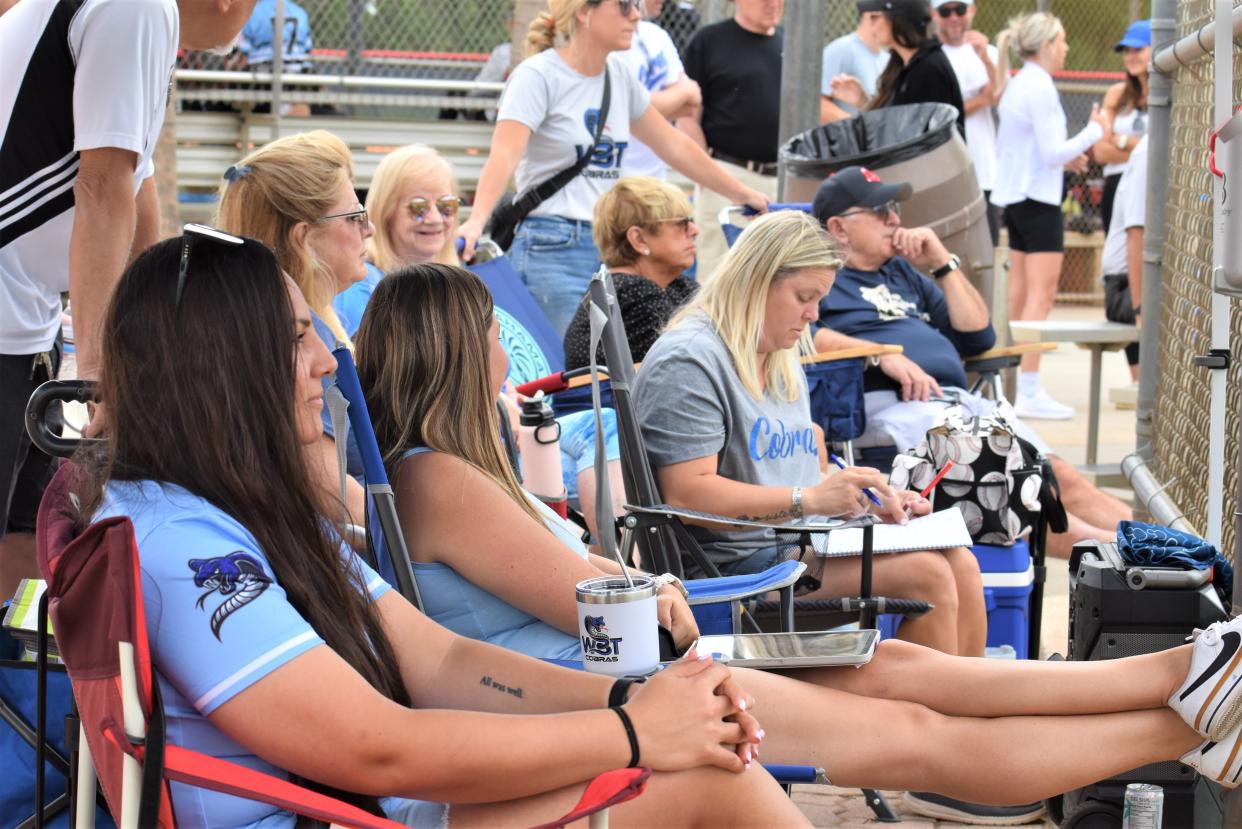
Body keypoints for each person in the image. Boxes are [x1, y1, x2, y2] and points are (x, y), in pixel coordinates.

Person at [353, 257, 1242, 827]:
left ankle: (1180, 675)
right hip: (605, 695)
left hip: (620, 678)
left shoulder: (449, 472)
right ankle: (1190, 717)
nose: (506, 355)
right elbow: (608, 604)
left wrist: (619, 572)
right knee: (914, 732)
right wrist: (637, 582)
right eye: (488, 339)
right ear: (460, 355)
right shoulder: (440, 477)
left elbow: (587, 576)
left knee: (906, 675)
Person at [78, 232, 806, 829]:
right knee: (708, 784)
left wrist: (631, 701)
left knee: (705, 766)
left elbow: (443, 661)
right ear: (221, 365)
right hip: (345, 810)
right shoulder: (182, 543)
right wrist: (635, 732)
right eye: (298, 338)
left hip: (361, 807)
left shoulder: (237, 505)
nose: (325, 362)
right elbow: (378, 748)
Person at [631, 210, 988, 659]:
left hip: (796, 545)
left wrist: (864, 500)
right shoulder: (689, 361)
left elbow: (793, 478)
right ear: (756, 281)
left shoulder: (776, 354)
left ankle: (970, 712)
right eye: (805, 296)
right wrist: (812, 500)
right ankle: (931, 720)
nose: (814, 314)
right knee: (929, 574)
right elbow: (686, 498)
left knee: (961, 562)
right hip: (734, 569)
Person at [0, 0, 255, 602]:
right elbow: (101, 185)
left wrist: (154, 340)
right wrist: (99, 377)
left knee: (26, 542)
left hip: (21, 315)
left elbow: (137, 188)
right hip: (10, 313)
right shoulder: (137, 5)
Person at [809, 166, 1132, 560]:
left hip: (958, 404)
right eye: (881, 211)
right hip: (889, 407)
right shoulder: (820, 276)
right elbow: (795, 337)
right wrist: (878, 354)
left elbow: (980, 336)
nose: (895, 219)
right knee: (1011, 487)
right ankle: (1126, 557)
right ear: (839, 228)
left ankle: (1168, 547)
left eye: (894, 208)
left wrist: (942, 263)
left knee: (1052, 471)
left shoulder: (903, 275)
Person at [331, 144, 625, 541]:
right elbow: (405, 395)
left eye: (447, 206)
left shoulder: (457, 280)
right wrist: (499, 411)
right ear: (383, 211)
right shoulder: (368, 292)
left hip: (500, 426)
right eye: (418, 208)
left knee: (603, 425)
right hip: (461, 445)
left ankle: (616, 565)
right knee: (597, 438)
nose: (435, 219)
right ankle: (614, 569)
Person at [456, 0, 767, 336]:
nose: (636, 15)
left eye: (635, 5)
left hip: (610, 247)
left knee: (608, 374)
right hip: (552, 246)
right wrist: (475, 221)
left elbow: (675, 146)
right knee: (568, 375)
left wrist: (745, 194)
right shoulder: (537, 76)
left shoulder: (618, 77)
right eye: (623, 5)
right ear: (584, 12)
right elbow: (504, 155)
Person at [214, 130, 372, 524]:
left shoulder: (285, 322)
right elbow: (331, 492)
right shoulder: (294, 339)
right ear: (304, 238)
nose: (368, 229)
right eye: (354, 216)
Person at [990, 12, 1109, 420]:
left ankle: (1016, 383)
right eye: (1061, 40)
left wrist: (1067, 157)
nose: (1066, 47)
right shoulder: (1037, 86)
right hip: (1036, 201)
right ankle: (1028, 387)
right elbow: (1051, 151)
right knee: (1041, 294)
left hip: (1020, 197)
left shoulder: (1022, 83)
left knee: (1023, 294)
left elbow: (1043, 151)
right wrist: (1095, 130)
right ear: (1044, 45)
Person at [675, 0, 783, 282]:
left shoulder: (792, 47)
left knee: (776, 278)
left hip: (782, 179)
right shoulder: (710, 41)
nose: (774, 3)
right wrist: (710, 176)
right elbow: (688, 120)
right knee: (721, 277)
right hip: (728, 174)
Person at [563, 176, 699, 369]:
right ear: (639, 239)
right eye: (681, 223)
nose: (695, 230)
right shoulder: (630, 294)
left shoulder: (677, 286)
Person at [829, 0, 965, 137]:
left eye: (875, 17)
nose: (871, 25)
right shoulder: (901, 64)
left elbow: (917, 143)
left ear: (897, 17)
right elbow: (892, 127)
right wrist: (863, 102)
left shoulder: (929, 69)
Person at [932, 0, 1000, 245]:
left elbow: (1002, 97)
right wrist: (982, 98)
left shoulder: (988, 52)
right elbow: (944, 112)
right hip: (945, 169)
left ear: (971, 11)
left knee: (986, 246)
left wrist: (987, 61)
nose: (953, 18)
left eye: (960, 10)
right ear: (934, 15)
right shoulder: (932, 57)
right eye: (945, 11)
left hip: (983, 169)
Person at [614, 0, 702, 179]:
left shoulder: (656, 35)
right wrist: (682, 92)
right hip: (616, 178)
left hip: (655, 176)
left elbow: (691, 104)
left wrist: (645, 110)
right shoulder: (611, 44)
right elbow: (622, 110)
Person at [1092, 19, 1150, 235]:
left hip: (1149, 183)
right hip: (1117, 181)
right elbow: (1101, 151)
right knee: (1115, 260)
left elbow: (1163, 150)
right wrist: (1143, 149)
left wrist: (1121, 140)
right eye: (1126, 51)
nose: (1130, 56)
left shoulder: (1171, 93)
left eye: (1138, 49)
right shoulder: (1117, 93)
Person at [1100, 135, 1147, 381]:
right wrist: (1139, 310)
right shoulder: (1148, 152)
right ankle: (1142, 385)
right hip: (1123, 285)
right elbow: (1135, 234)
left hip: (1136, 279)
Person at [820, 0, 892, 124]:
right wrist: (858, 127)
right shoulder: (842, 49)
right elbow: (819, 105)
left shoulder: (887, 59)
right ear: (871, 15)